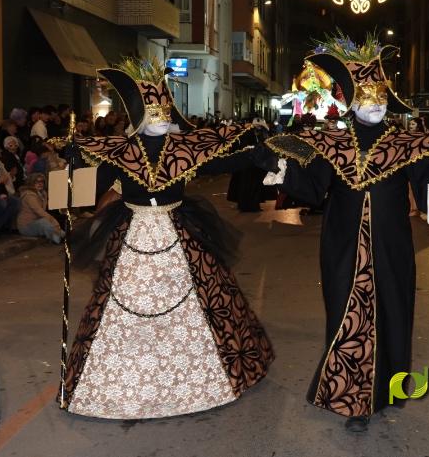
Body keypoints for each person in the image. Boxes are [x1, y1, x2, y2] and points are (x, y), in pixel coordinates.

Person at [264, 35, 429, 433]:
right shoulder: (333, 142)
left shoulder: (407, 143)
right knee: (349, 314)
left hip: (391, 245)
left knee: (393, 311)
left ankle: (392, 388)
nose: (375, 104)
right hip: (343, 244)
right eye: (366, 98)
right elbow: (314, 187)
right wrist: (285, 173)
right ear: (352, 103)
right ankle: (354, 399)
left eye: (380, 97)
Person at [57, 57, 273, 420]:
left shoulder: (182, 149)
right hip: (132, 233)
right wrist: (71, 168)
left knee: (206, 296)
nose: (160, 118)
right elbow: (88, 188)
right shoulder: (121, 153)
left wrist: (256, 155)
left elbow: (219, 162)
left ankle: (202, 378)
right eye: (152, 112)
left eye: (164, 111)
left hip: (180, 230)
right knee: (119, 302)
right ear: (140, 115)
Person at [15, 172, 62, 243]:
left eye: (42, 181)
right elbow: (39, 211)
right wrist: (53, 221)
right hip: (26, 226)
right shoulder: (29, 195)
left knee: (51, 219)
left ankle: (63, 236)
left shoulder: (43, 193)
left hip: (37, 221)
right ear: (31, 183)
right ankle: (57, 240)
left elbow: (44, 210)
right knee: (44, 222)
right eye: (37, 182)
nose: (40, 184)